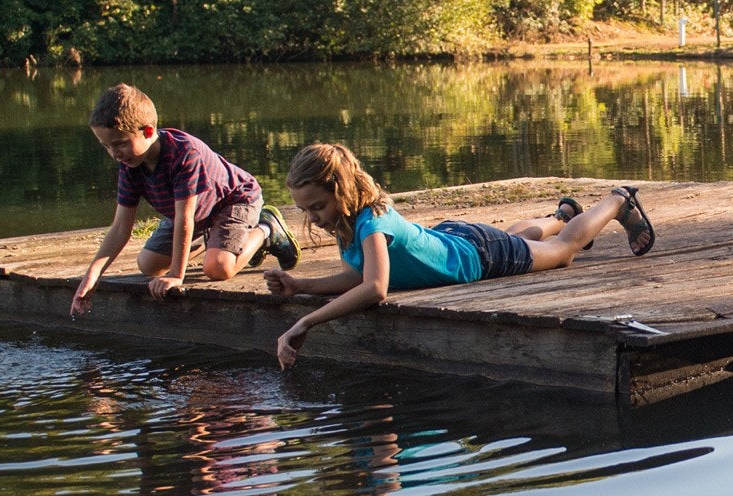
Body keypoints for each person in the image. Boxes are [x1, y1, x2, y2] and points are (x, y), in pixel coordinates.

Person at [263, 142, 655, 369]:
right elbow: (360, 276)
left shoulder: (369, 220)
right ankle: (560, 216)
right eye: (306, 210)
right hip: (461, 240)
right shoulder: (349, 219)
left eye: (316, 207)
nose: (312, 218)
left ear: (340, 191)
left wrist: (306, 322)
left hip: (477, 256)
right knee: (512, 241)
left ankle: (617, 201)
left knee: (564, 251)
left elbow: (376, 288)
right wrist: (302, 285)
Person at [70, 83, 299, 318]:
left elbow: (185, 219)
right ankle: (212, 239)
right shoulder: (130, 163)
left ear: (148, 131)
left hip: (234, 200)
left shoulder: (183, 153)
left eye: (119, 143)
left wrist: (176, 275)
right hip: (196, 214)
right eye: (106, 146)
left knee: (217, 268)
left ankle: (266, 229)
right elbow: (120, 228)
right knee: (148, 265)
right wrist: (92, 276)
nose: (114, 153)